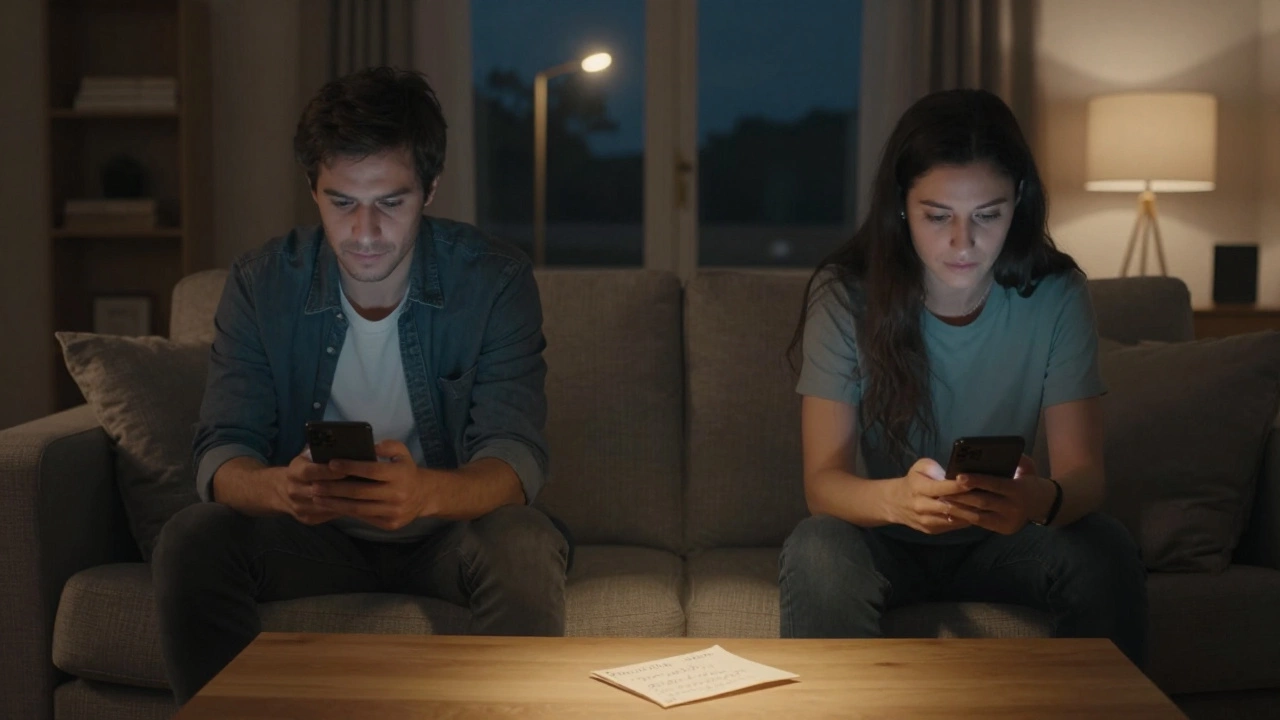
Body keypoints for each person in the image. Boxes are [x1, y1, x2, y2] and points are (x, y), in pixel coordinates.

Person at [152, 67, 568, 704]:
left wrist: (426, 492)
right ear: (313, 190)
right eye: (342, 202)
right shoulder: (261, 284)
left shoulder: (494, 282)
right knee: (191, 537)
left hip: (447, 534)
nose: (366, 233)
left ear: (430, 190)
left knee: (525, 544)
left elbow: (516, 458)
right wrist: (280, 489)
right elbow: (221, 450)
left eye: (390, 203)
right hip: (312, 537)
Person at [779, 88, 1147, 667]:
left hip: (1001, 543)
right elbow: (822, 484)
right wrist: (897, 501)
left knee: (1105, 546)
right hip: (883, 538)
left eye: (987, 215)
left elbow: (1086, 477)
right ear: (902, 205)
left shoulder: (1055, 294)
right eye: (937, 215)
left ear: (1017, 203)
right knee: (816, 547)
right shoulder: (845, 293)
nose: (962, 242)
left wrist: (1037, 499)